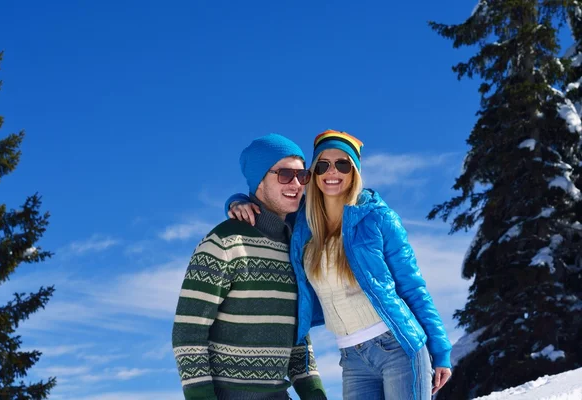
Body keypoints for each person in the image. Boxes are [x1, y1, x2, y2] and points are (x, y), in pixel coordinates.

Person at [227, 130, 452, 399]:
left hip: (398, 346)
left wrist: (441, 352)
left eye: (342, 164)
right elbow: (265, 203)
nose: (332, 172)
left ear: (355, 170)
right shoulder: (302, 225)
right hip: (351, 357)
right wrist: (236, 201)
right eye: (323, 165)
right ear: (314, 174)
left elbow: (413, 287)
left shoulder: (378, 218)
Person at [172, 133, 327, 400]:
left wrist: (315, 393)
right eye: (284, 175)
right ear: (258, 180)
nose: (296, 184)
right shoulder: (224, 242)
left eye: (302, 176)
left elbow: (297, 339)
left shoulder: (294, 248)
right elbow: (188, 333)